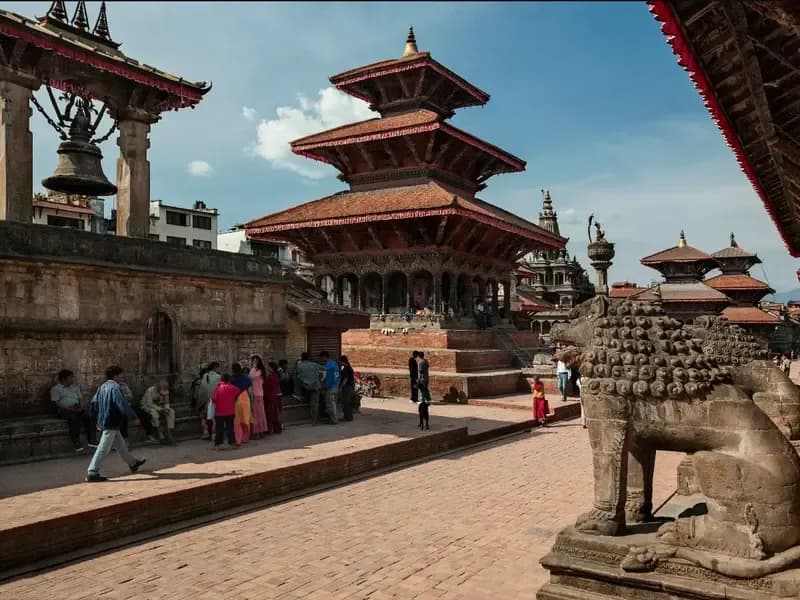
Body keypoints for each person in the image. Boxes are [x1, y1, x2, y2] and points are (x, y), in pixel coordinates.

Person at [86, 366, 146, 482]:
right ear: (115, 376)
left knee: (120, 445)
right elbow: (121, 403)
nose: (122, 377)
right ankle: (92, 471)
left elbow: (94, 403)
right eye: (121, 375)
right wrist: (133, 417)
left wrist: (97, 420)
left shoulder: (102, 387)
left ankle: (132, 463)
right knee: (104, 448)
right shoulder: (115, 388)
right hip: (111, 421)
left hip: (105, 420)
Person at [50, 369, 96, 451]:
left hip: (76, 407)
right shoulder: (56, 389)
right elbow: (56, 403)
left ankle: (92, 440)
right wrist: (69, 409)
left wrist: (80, 407)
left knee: (88, 417)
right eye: (70, 377)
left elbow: (80, 399)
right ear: (64, 379)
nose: (73, 379)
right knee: (74, 419)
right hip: (64, 410)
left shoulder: (75, 387)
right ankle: (76, 442)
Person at [140, 380, 176, 445]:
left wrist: (167, 408)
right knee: (154, 414)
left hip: (161, 406)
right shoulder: (150, 391)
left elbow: (166, 402)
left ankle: (169, 431)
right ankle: (160, 434)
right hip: (148, 406)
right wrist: (160, 409)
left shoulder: (165, 391)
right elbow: (149, 404)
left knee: (171, 411)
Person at [210, 373, 238, 450]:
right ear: (229, 380)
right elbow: (237, 393)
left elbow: (213, 399)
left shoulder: (217, 388)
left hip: (219, 411)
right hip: (230, 411)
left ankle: (218, 444)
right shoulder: (233, 388)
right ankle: (232, 443)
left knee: (219, 428)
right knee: (230, 428)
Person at [196, 362, 221, 440]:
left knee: (204, 416)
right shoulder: (218, 377)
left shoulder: (205, 376)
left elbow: (203, 390)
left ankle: (206, 432)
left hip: (205, 400)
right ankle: (214, 434)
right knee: (214, 418)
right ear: (215, 368)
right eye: (218, 368)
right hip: (214, 400)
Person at [296, 352, 322, 424]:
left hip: (305, 387)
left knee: (310, 402)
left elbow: (298, 376)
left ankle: (300, 396)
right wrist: (320, 379)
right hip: (315, 386)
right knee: (315, 404)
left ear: (302, 357)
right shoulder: (315, 365)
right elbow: (324, 370)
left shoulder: (299, 366)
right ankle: (314, 420)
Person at [231, 362, 253, 445]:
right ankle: (245, 438)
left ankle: (238, 439)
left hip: (236, 399)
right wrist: (252, 401)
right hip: (245, 398)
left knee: (237, 420)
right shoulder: (246, 378)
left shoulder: (232, 379)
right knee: (246, 418)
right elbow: (250, 392)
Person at [249, 355, 269, 439]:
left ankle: (258, 432)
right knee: (259, 413)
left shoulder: (258, 371)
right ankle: (260, 431)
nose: (254, 363)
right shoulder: (260, 371)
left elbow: (251, 377)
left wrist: (253, 367)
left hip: (257, 394)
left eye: (255, 361)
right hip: (258, 394)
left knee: (257, 414)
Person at [320, 350, 340, 424]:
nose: (322, 360)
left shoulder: (328, 366)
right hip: (336, 386)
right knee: (333, 403)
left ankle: (333, 420)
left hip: (330, 387)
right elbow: (337, 376)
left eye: (322, 358)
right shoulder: (334, 363)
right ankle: (333, 419)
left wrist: (325, 386)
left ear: (324, 357)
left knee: (330, 405)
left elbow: (329, 378)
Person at [265, 361, 283, 434]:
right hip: (274, 396)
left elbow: (268, 387)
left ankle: (270, 429)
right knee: (274, 414)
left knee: (271, 414)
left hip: (271, 396)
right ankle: (276, 429)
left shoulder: (272, 376)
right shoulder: (274, 375)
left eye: (268, 367)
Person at [339, 355, 356, 422]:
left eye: (340, 361)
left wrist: (341, 387)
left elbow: (345, 379)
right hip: (350, 386)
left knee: (346, 402)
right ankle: (348, 417)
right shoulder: (349, 367)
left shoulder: (346, 368)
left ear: (342, 361)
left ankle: (347, 417)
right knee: (348, 402)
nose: (339, 363)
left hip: (348, 387)